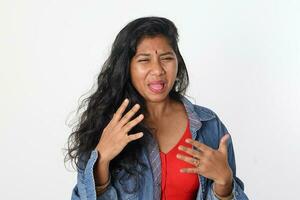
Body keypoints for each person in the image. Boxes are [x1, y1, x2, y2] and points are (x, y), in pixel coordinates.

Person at [66, 16, 249, 200]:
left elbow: (231, 189)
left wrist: (224, 183)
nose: (158, 70)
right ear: (126, 67)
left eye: (166, 58)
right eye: (144, 60)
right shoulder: (107, 126)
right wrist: (101, 159)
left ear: (178, 62)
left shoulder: (208, 125)